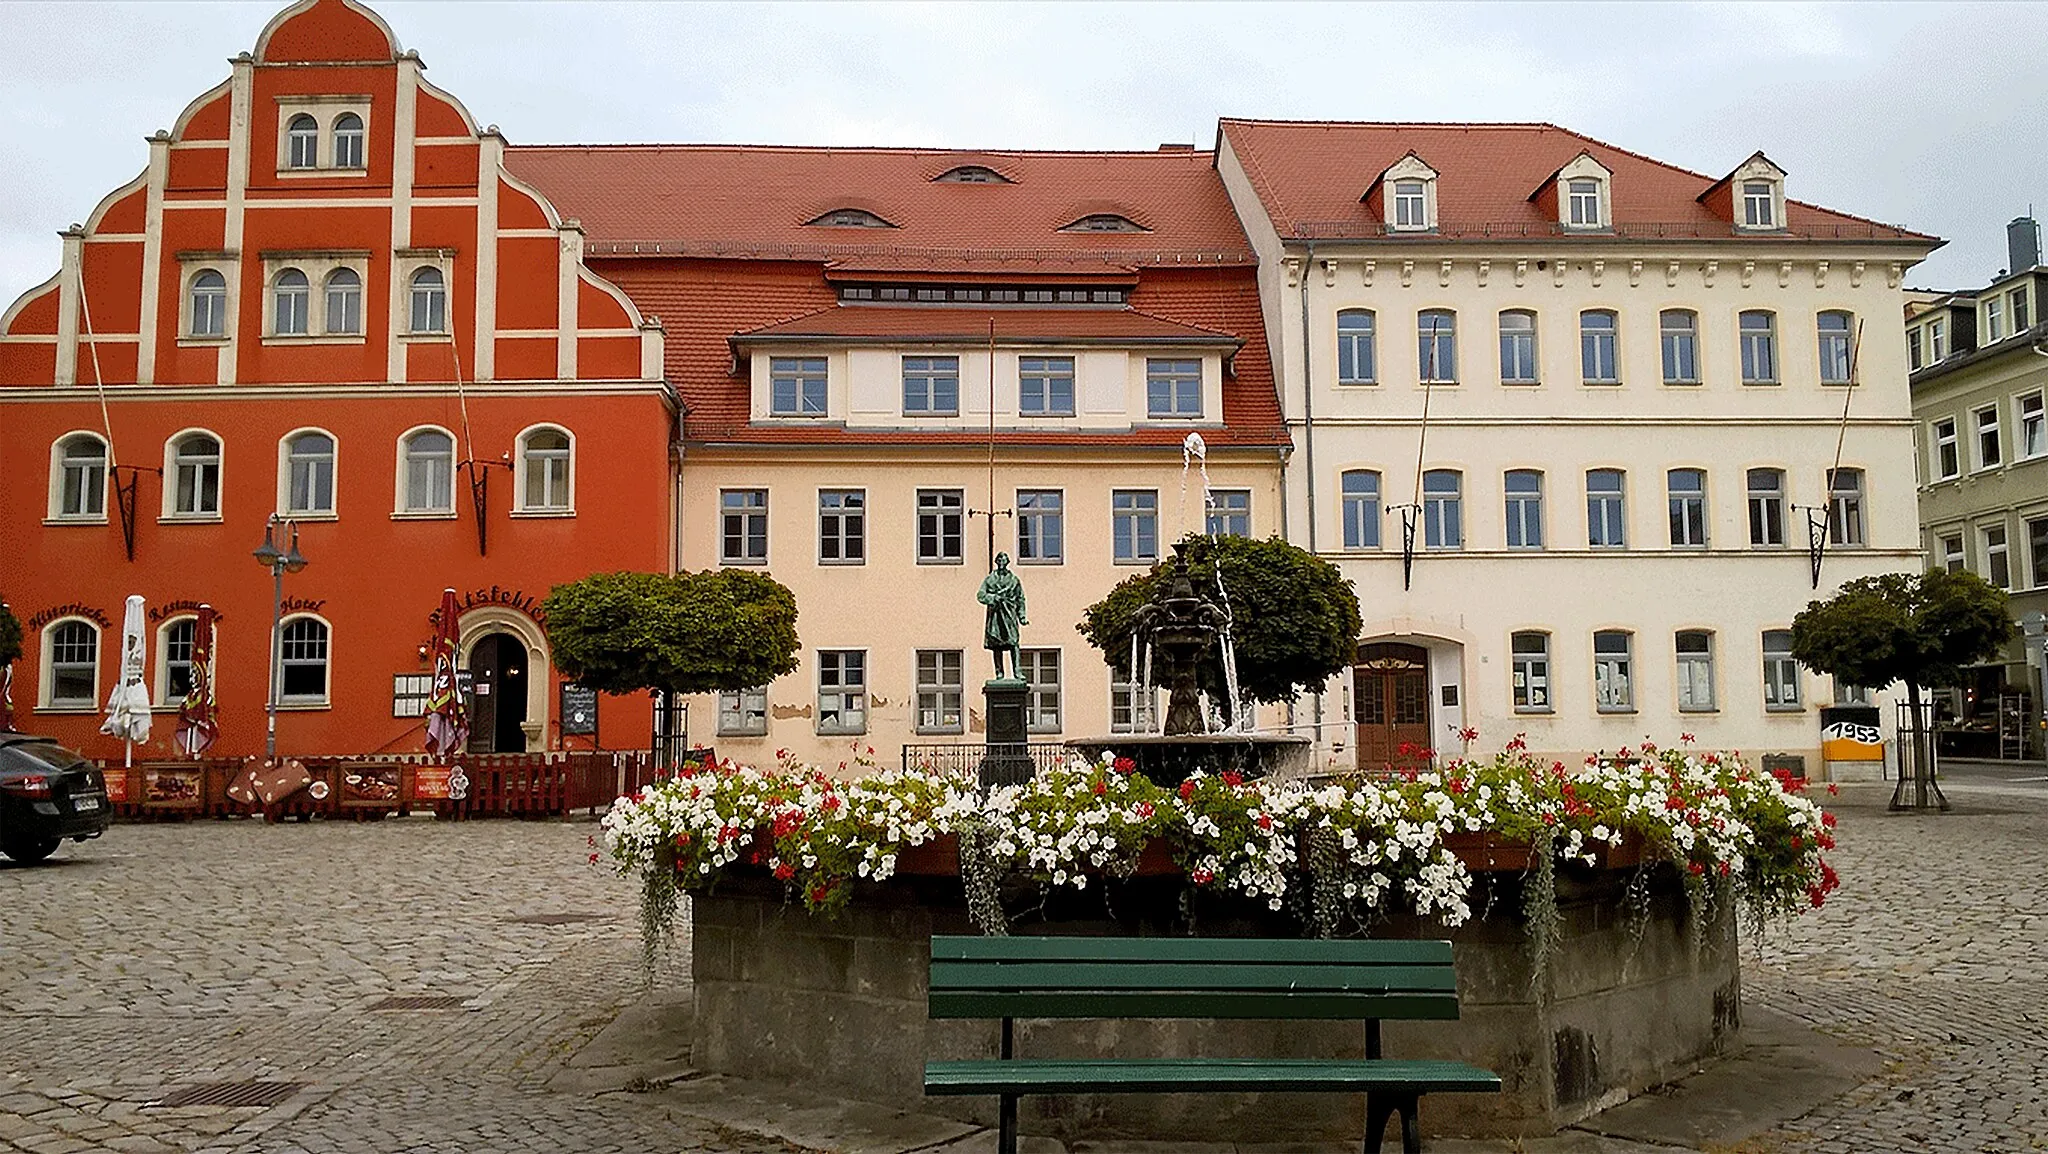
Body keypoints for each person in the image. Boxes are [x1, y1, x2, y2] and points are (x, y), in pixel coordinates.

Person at [977, 552, 1028, 679]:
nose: (1001, 563)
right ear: (996, 562)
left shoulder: (1014, 580)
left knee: (1014, 643)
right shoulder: (990, 579)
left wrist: (1021, 616)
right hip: (995, 615)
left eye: (1004, 561)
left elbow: (1020, 598)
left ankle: (1017, 671)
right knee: (996, 645)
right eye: (999, 561)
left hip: (1009, 614)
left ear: (1007, 562)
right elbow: (980, 595)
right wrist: (994, 597)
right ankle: (999, 672)